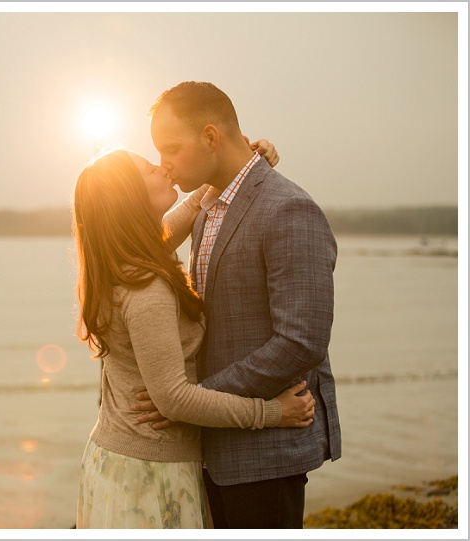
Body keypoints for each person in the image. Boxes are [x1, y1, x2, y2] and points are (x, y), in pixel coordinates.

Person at [132, 81, 341, 529]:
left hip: (266, 452)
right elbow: (137, 243)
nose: (163, 164)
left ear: (210, 137)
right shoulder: (208, 205)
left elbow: (301, 342)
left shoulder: (289, 210)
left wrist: (194, 399)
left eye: (170, 148)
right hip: (210, 447)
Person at [72, 147, 316, 529]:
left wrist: (239, 164)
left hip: (121, 458)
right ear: (131, 198)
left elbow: (182, 217)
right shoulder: (145, 288)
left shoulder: (123, 262)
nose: (164, 167)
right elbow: (175, 399)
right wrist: (272, 413)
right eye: (152, 168)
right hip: (149, 474)